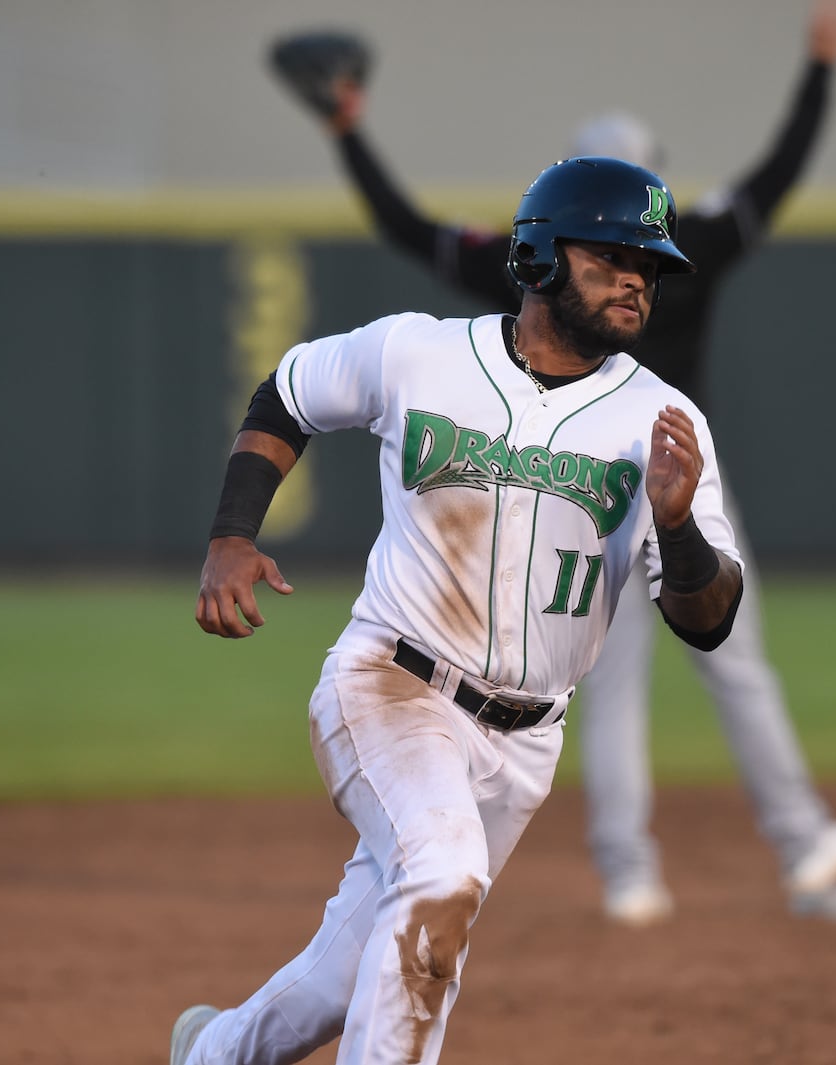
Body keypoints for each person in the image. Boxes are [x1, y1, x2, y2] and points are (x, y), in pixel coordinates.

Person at [282, 0, 836, 926]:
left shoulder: (531, 270)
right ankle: (797, 837)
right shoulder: (694, 247)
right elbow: (780, 172)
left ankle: (630, 870)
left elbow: (406, 225)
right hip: (658, 478)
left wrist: (350, 131)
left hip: (585, 493)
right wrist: (822, 65)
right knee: (736, 665)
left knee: (616, 686)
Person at [172, 156, 746, 1065]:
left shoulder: (664, 419)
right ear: (540, 258)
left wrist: (676, 528)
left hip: (523, 745)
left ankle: (211, 1055)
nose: (637, 277)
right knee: (444, 874)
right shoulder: (421, 352)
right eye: (611, 256)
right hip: (392, 684)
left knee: (347, 971)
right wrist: (232, 533)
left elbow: (708, 616)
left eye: (651, 264)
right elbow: (290, 391)